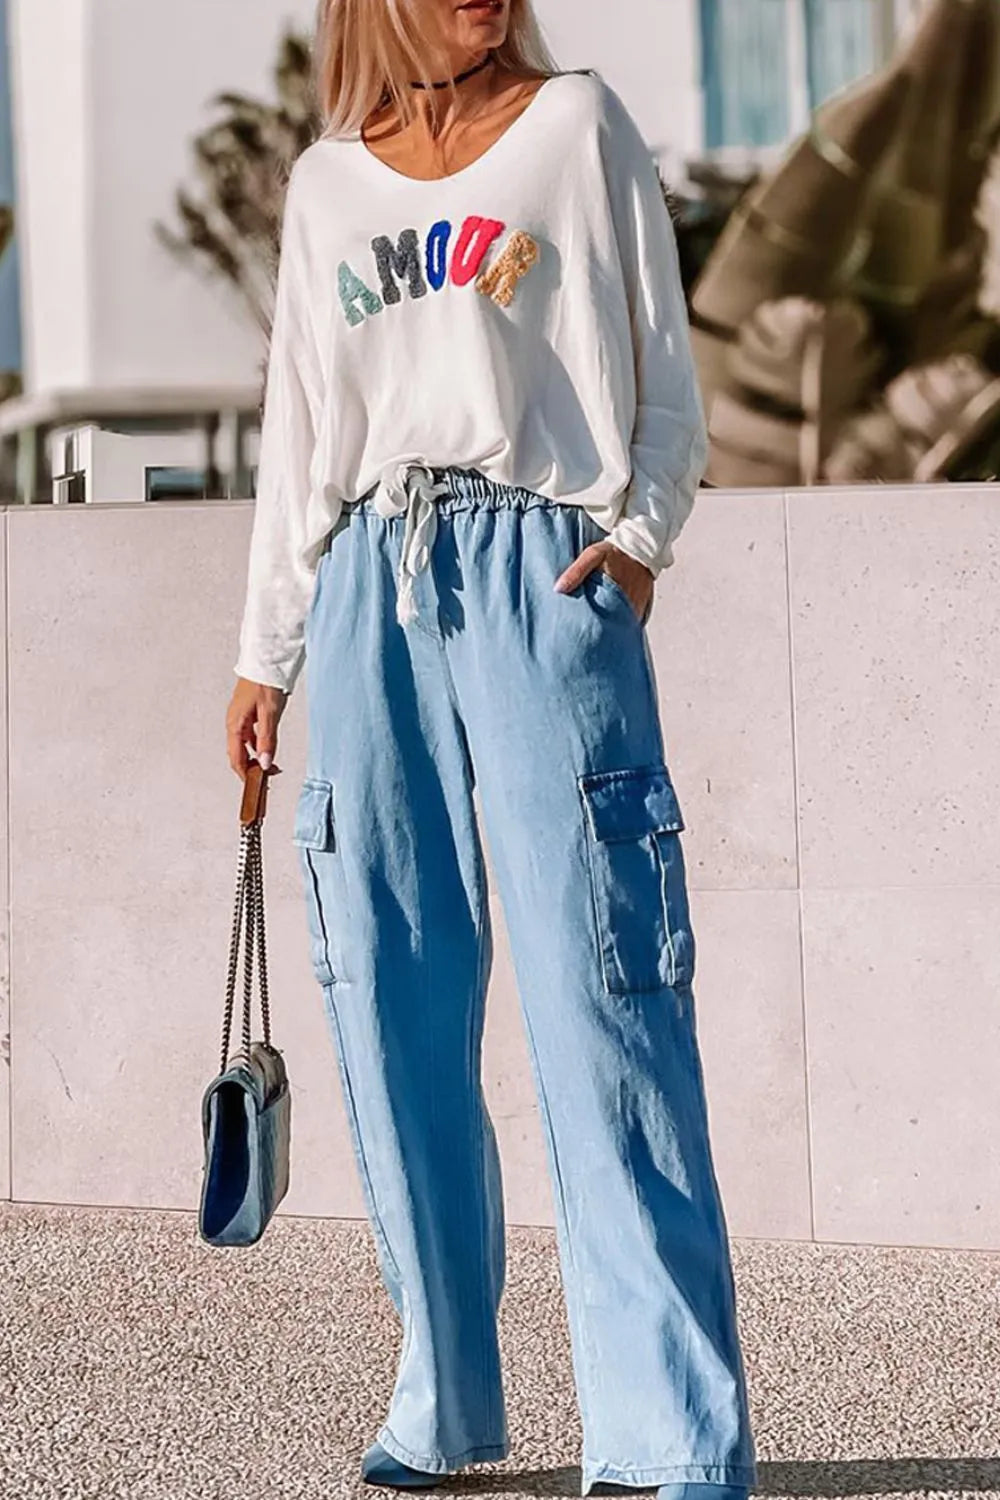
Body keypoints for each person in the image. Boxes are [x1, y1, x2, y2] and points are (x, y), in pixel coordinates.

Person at [225, 2, 758, 1496]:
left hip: (543, 574)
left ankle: (665, 1441)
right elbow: (296, 433)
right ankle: (443, 1398)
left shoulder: (578, 128)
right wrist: (267, 653)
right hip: (361, 602)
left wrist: (638, 544)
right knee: (385, 1001)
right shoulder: (329, 183)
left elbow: (665, 366)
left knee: (607, 996)